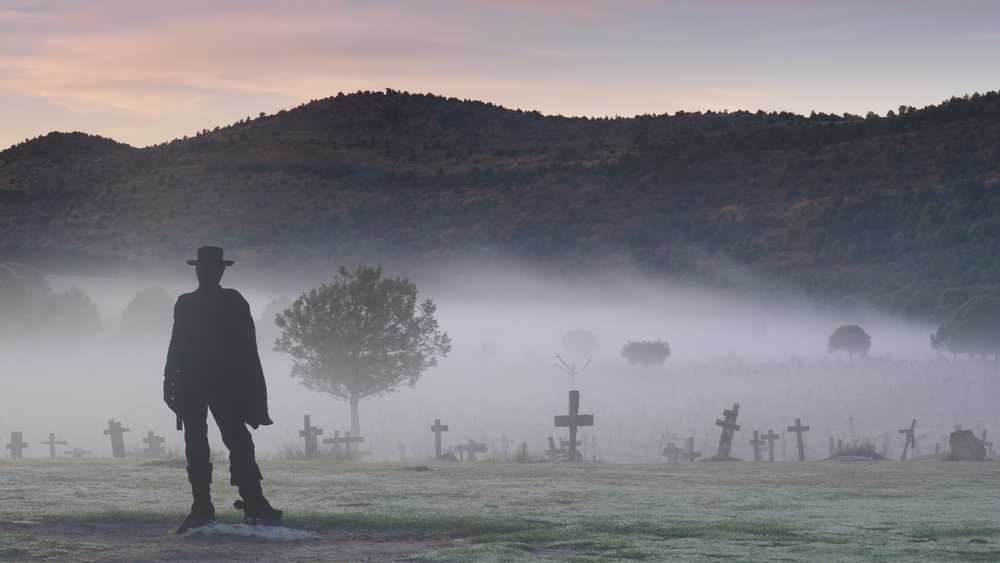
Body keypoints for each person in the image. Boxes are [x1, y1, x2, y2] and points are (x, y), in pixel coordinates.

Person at [163, 246, 283, 533]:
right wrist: (168, 382)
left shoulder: (217, 302)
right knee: (211, 441)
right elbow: (177, 344)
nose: (206, 272)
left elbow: (244, 347)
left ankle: (242, 503)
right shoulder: (213, 302)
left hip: (212, 383)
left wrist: (169, 382)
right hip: (210, 383)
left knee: (232, 439)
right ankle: (211, 505)